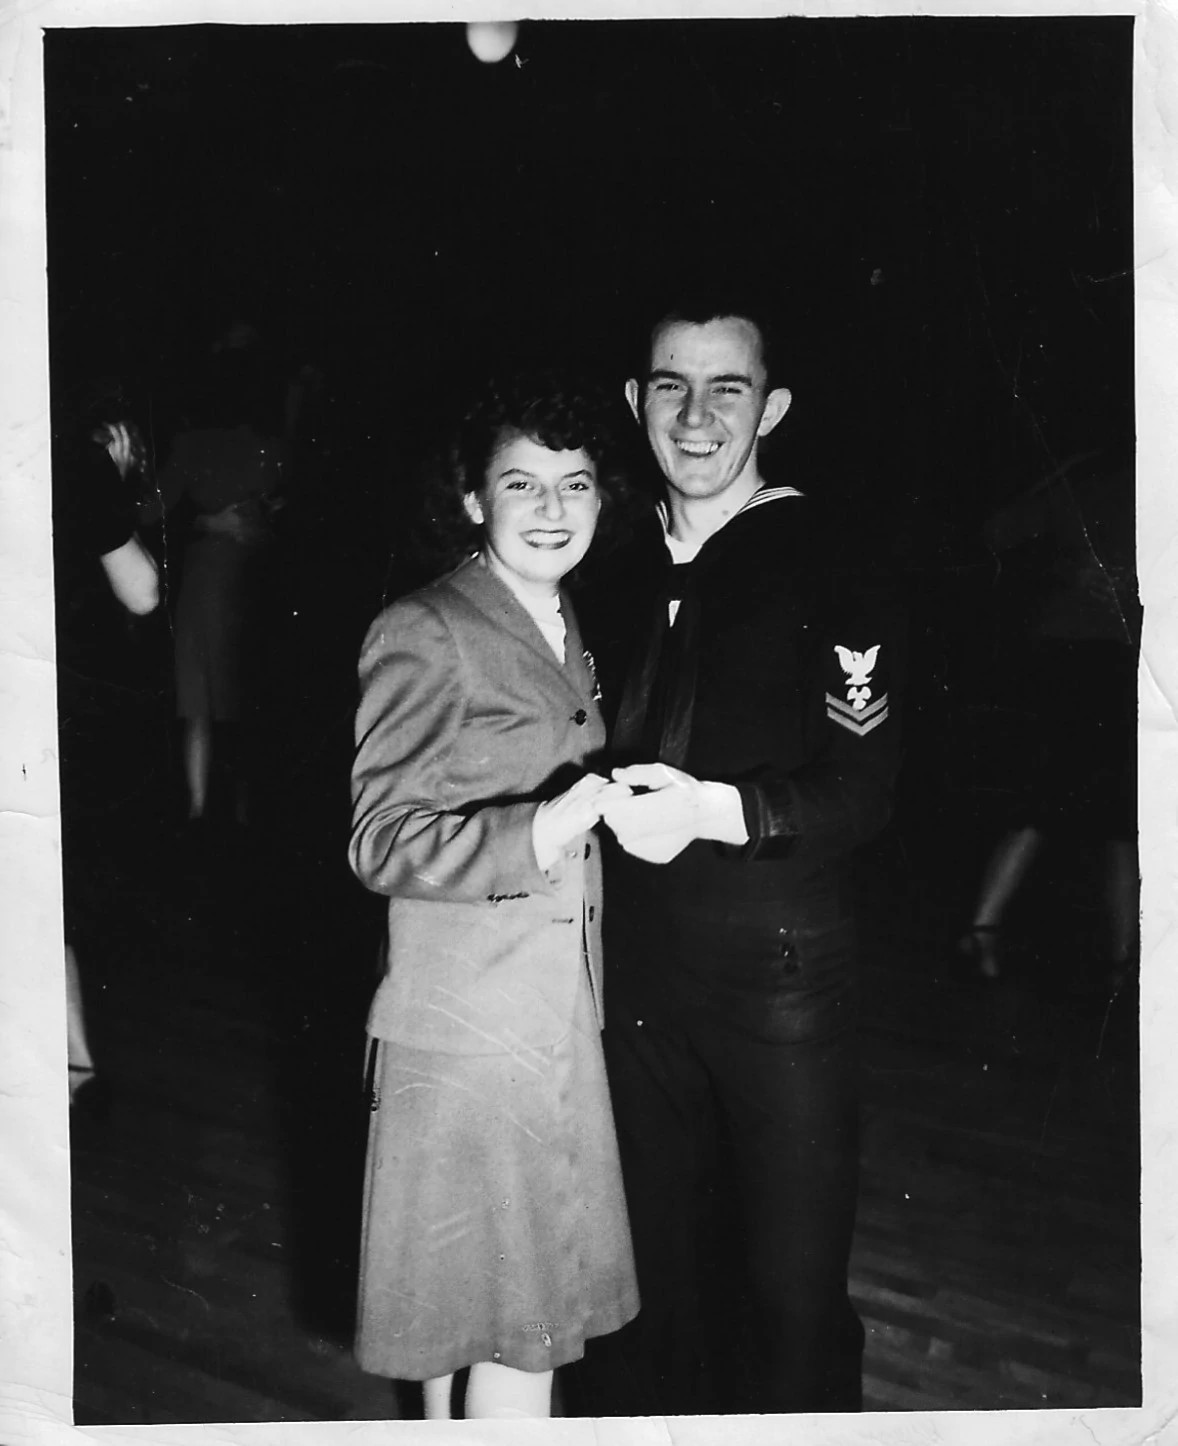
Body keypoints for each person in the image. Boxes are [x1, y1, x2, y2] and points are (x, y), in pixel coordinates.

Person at [579, 296, 905, 1415]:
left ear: (772, 407)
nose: (697, 413)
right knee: (643, 1290)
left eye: (728, 387)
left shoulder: (830, 554)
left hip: (777, 975)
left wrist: (716, 812)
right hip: (632, 982)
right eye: (671, 383)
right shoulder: (606, 560)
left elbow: (860, 789)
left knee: (789, 1299)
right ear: (635, 403)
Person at [347, 373, 639, 1421]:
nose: (553, 509)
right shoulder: (426, 627)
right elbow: (379, 839)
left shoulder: (558, 619)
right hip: (469, 1030)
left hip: (543, 1011)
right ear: (474, 501)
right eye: (522, 485)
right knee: (520, 1325)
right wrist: (545, 829)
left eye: (574, 485)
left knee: (463, 1308)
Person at [956, 447, 1139, 1004]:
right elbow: (997, 533)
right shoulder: (1121, 477)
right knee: (1115, 819)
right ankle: (1121, 964)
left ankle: (986, 931)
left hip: (1073, 657)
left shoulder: (1092, 476)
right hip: (1108, 660)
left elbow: (998, 531)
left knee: (1047, 803)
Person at [54, 404, 160, 1106]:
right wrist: (114, 484)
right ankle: (71, 1061)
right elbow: (143, 591)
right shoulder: (83, 466)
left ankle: (72, 1058)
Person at [142, 335, 288, 826]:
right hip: (249, 580)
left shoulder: (193, 446)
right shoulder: (270, 448)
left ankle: (198, 811)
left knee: (200, 701)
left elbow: (149, 514)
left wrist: (198, 521)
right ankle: (241, 815)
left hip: (210, 581)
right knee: (242, 698)